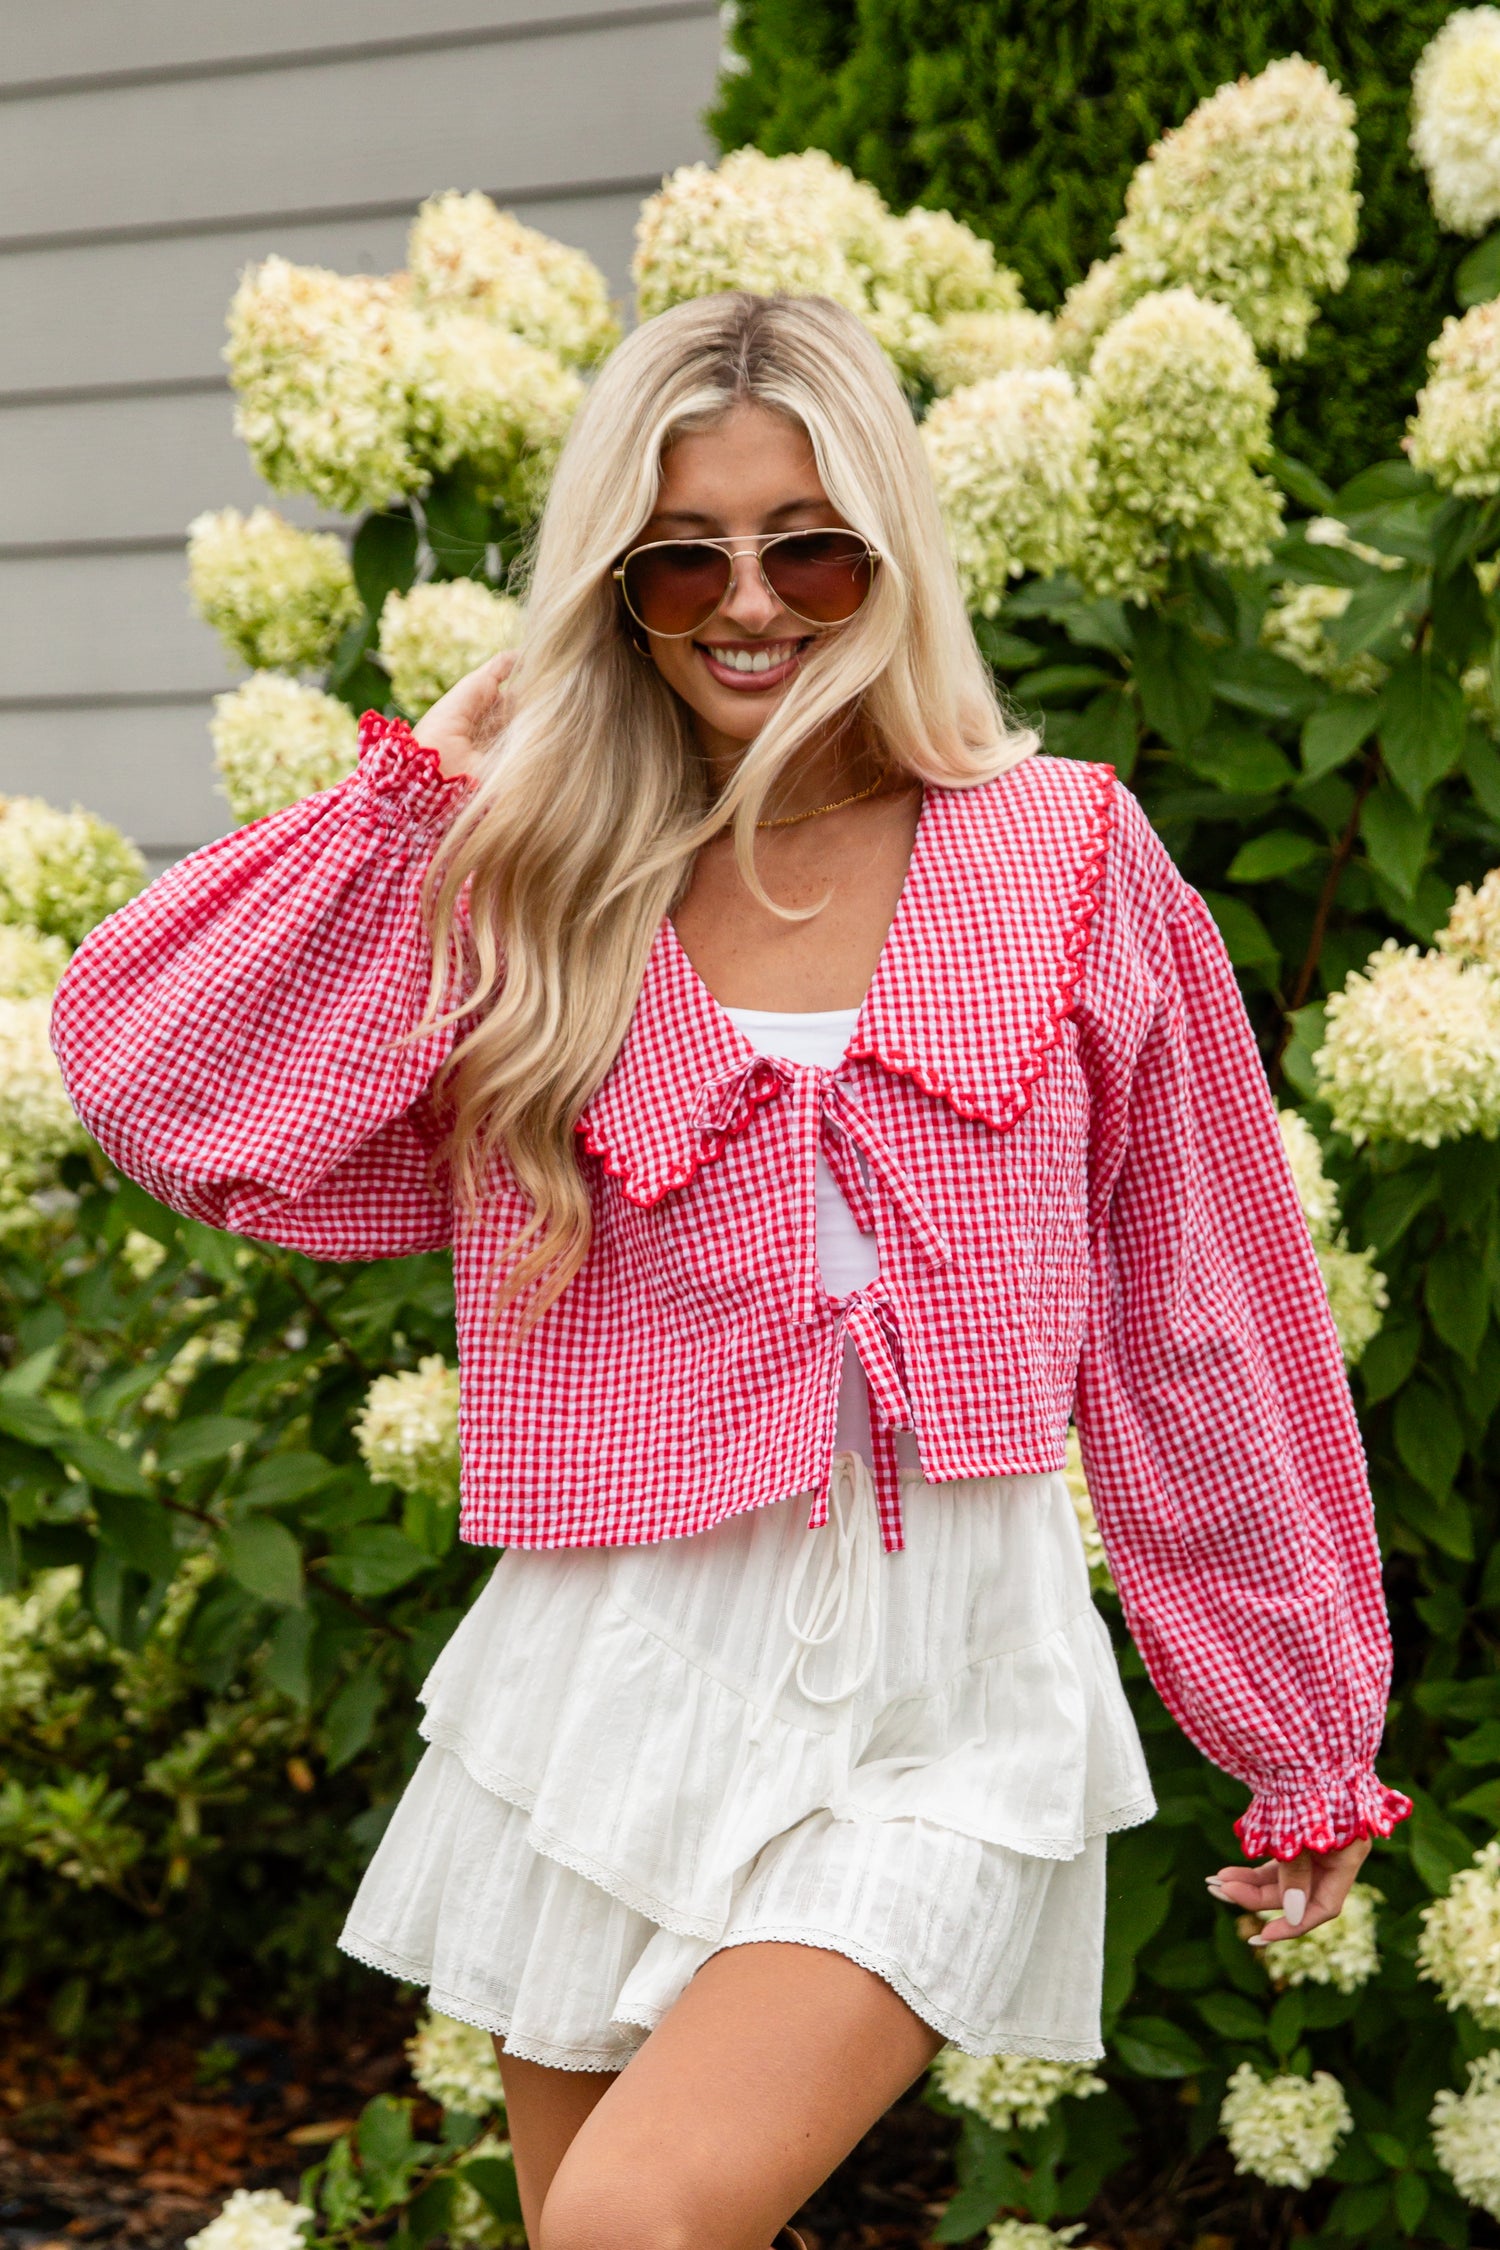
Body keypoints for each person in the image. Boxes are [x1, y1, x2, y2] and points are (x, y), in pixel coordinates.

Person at [52, 291, 1409, 2250]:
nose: (749, 602)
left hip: (948, 1683)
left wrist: (1301, 1726)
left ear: (890, 556)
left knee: (639, 2219)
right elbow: (159, 1076)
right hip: (612, 1651)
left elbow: (1202, 1312)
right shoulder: (546, 879)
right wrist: (418, 794)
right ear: (617, 586)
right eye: (682, 556)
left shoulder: (1063, 859)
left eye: (809, 546)